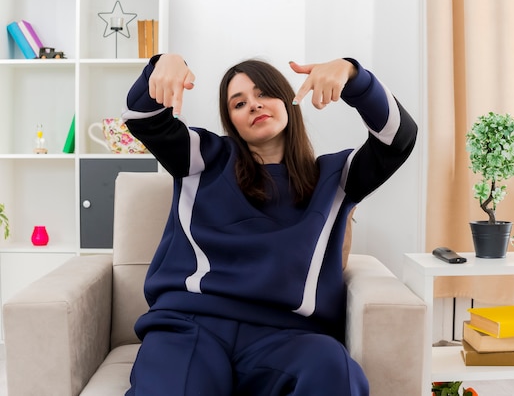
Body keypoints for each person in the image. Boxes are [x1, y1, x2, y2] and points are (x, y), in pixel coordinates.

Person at [122, 53, 418, 396]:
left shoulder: (335, 179)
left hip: (286, 337)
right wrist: (164, 63)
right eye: (239, 103)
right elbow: (143, 117)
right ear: (231, 121)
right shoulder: (203, 158)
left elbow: (398, 138)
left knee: (333, 369)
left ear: (288, 100)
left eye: (263, 93)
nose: (253, 105)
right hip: (190, 325)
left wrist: (354, 77)